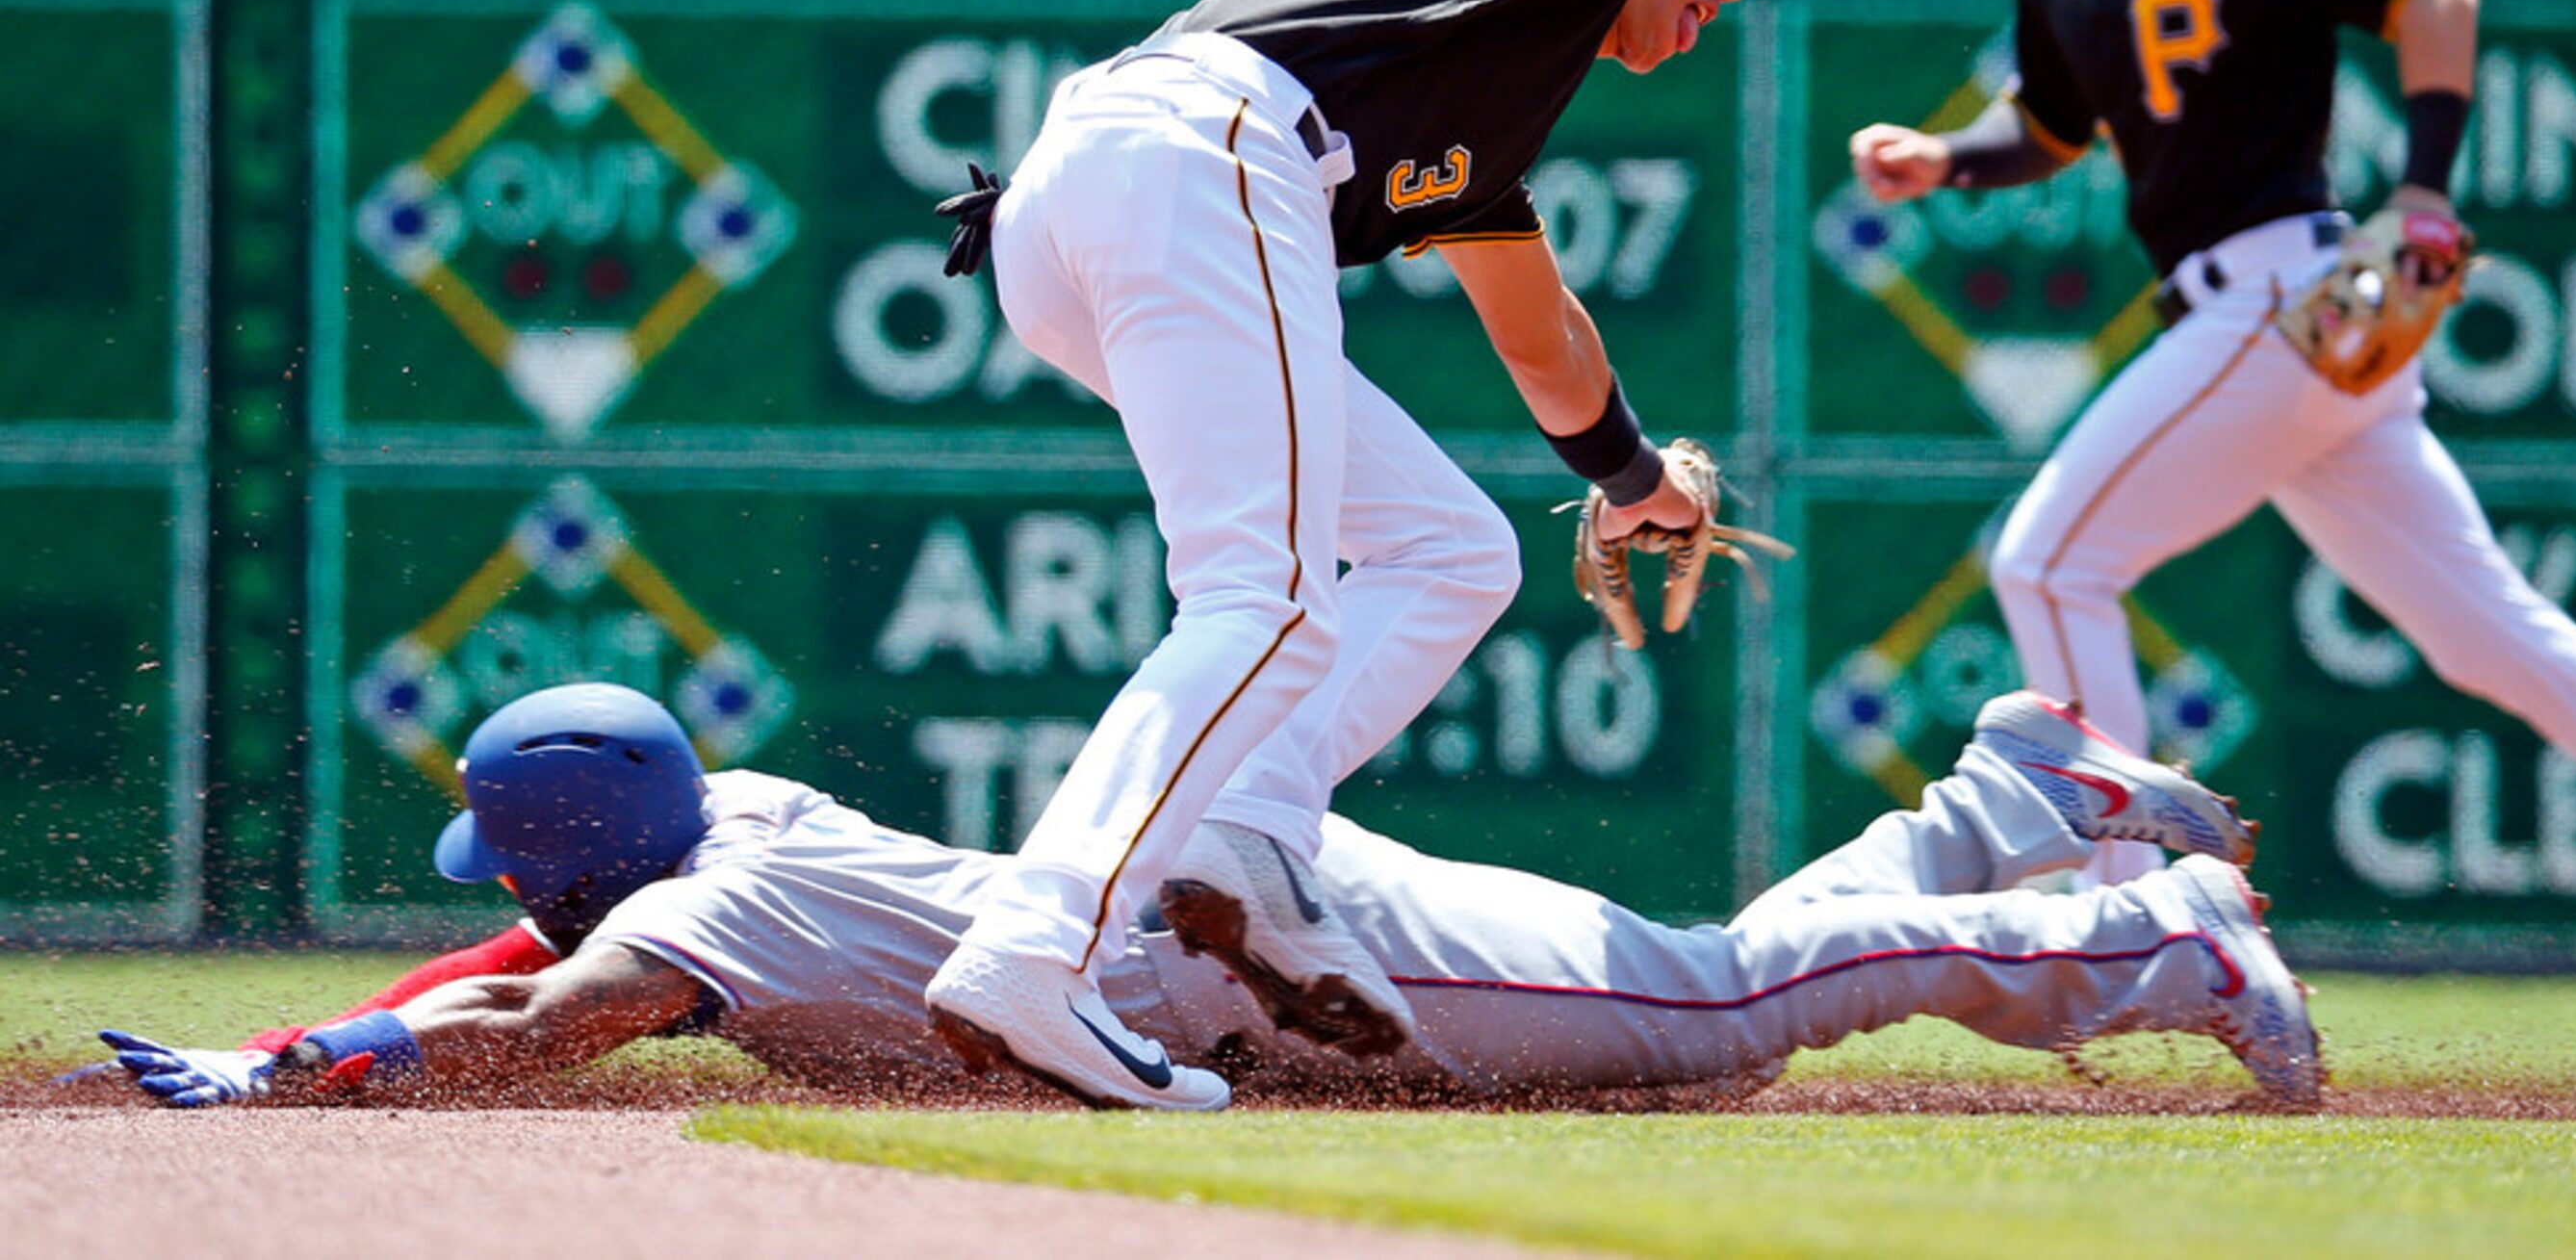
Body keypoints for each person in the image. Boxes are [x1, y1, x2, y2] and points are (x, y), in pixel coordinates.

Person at [924, 0, 2124, 1108]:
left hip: (1100, 199)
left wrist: (1630, 482)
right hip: (1202, 146)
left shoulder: (1483, 108)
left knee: (1448, 548)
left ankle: (1250, 836)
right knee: (1260, 597)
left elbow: (1542, 336)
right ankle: (1036, 945)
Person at [1847, 0, 2576, 899]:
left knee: (2048, 564)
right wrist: (1945, 160)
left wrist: (2423, 187)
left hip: (2282, 294)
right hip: (2259, 325)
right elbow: (2050, 132)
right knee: (2490, 636)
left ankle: (2128, 928)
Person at [97, 682, 2321, 1111]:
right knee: (1693, 1006)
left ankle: (2148, 940)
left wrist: (302, 1063)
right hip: (1225, 941)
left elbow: (531, 1015)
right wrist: (346, 1026)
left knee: (1711, 1024)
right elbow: (516, 959)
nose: (508, 893)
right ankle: (2001, 801)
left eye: (518, 856)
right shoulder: (728, 819)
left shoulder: (714, 931)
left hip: (1272, 955)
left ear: (583, 855)